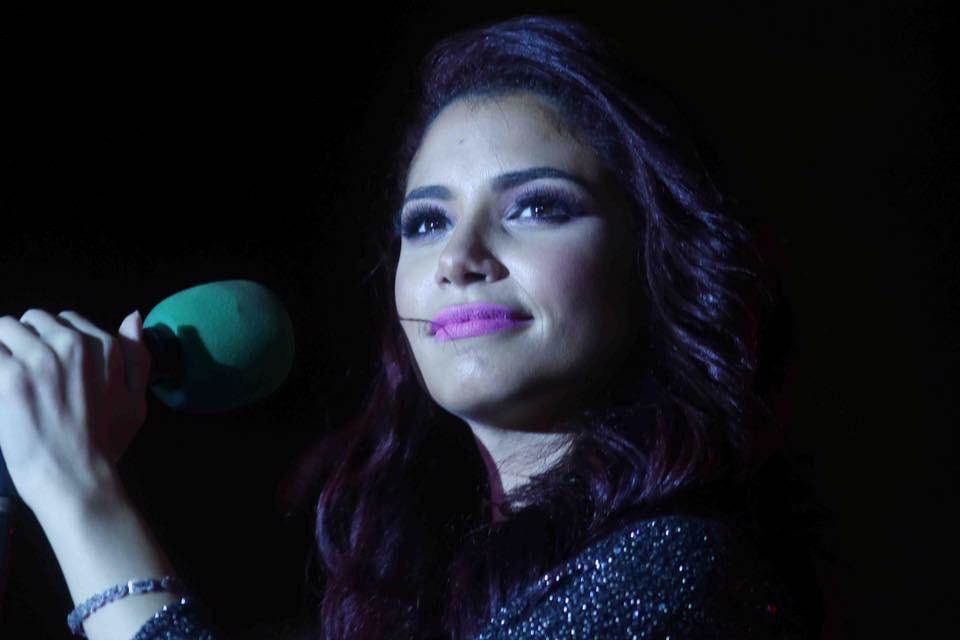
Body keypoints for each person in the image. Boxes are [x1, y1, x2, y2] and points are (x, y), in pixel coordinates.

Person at [0, 13, 828, 640]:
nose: (458, 258)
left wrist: (81, 497)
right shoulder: (422, 582)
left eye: (537, 208)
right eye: (426, 222)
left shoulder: (679, 574)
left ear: (655, 263)